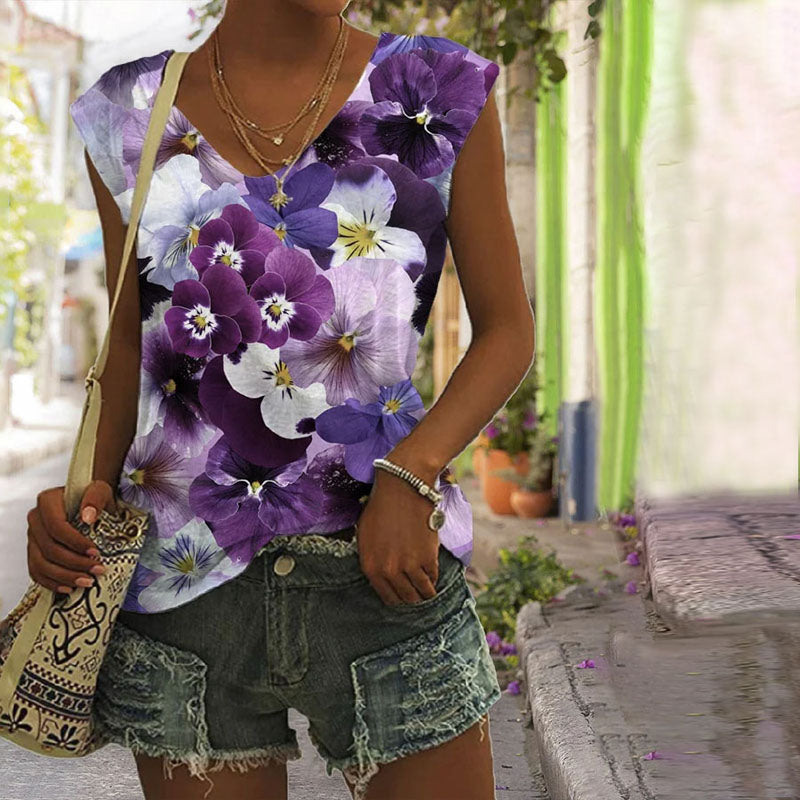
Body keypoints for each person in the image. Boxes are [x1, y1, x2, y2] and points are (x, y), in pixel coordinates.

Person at [27, 1, 534, 798]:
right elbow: (128, 341)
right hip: (186, 591)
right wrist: (76, 500)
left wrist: (413, 470)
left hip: (386, 569)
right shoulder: (125, 109)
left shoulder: (437, 89)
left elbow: (507, 330)